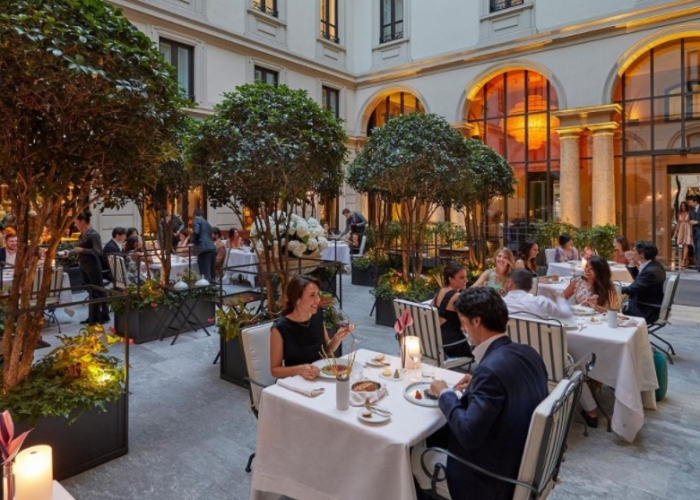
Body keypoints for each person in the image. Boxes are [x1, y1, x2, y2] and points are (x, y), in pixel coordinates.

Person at [414, 287, 548, 500]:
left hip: (488, 479)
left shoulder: (490, 370)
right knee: (437, 433)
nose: (462, 328)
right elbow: (513, 386)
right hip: (518, 458)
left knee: (413, 454)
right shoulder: (528, 352)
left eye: (463, 322)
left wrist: (445, 392)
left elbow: (468, 434)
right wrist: (477, 381)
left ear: (476, 321)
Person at [270, 275, 354, 379]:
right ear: (297, 299)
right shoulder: (280, 328)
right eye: (312, 295)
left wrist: (337, 337)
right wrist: (300, 369)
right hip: (295, 381)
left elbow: (326, 350)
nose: (318, 299)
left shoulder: (317, 315)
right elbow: (275, 370)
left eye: (317, 294)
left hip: (319, 377)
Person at [73, 211, 110, 325]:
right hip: (84, 265)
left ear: (82, 221)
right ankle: (93, 316)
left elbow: (98, 251)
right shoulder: (83, 234)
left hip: (92, 265)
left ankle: (104, 315)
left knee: (98, 290)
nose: (75, 225)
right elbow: (79, 249)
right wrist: (70, 252)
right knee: (91, 291)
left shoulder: (93, 234)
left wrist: (83, 250)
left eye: (76, 222)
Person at [430, 263, 472, 359]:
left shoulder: (441, 291)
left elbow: (430, 309)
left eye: (466, 277)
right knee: (484, 346)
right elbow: (464, 326)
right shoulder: (457, 296)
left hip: (439, 341)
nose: (466, 280)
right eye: (462, 277)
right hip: (453, 345)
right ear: (451, 279)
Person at [622, 240, 666, 323]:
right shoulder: (654, 265)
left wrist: (612, 288)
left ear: (642, 254)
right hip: (647, 303)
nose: (632, 253)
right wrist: (632, 264)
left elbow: (631, 289)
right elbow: (639, 280)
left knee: (613, 310)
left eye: (634, 250)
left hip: (645, 309)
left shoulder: (650, 272)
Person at [504, 269, 571, 320]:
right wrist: (556, 296)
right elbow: (566, 314)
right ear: (531, 287)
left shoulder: (500, 304)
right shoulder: (541, 302)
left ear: (510, 283)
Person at [192, 208, 216, 282]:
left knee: (204, 273)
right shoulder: (207, 223)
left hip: (203, 248)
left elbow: (196, 232)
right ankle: (212, 286)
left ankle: (206, 286)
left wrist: (192, 241)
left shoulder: (196, 220)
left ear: (195, 215)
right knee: (211, 272)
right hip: (211, 247)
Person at [674, 202, 693, 268]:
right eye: (682, 206)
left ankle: (683, 260)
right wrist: (676, 231)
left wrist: (691, 232)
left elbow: (691, 222)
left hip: (688, 229)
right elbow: (678, 223)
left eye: (684, 206)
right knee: (683, 244)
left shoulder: (689, 213)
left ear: (686, 206)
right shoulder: (679, 213)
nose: (683, 207)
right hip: (681, 229)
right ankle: (686, 260)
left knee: (685, 244)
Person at [687, 196, 700, 271]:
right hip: (694, 232)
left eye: (691, 202)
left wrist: (697, 222)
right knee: (696, 249)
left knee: (699, 248)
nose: (690, 204)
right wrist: (691, 221)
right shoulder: (691, 210)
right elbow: (690, 219)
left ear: (695, 202)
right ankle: (698, 264)